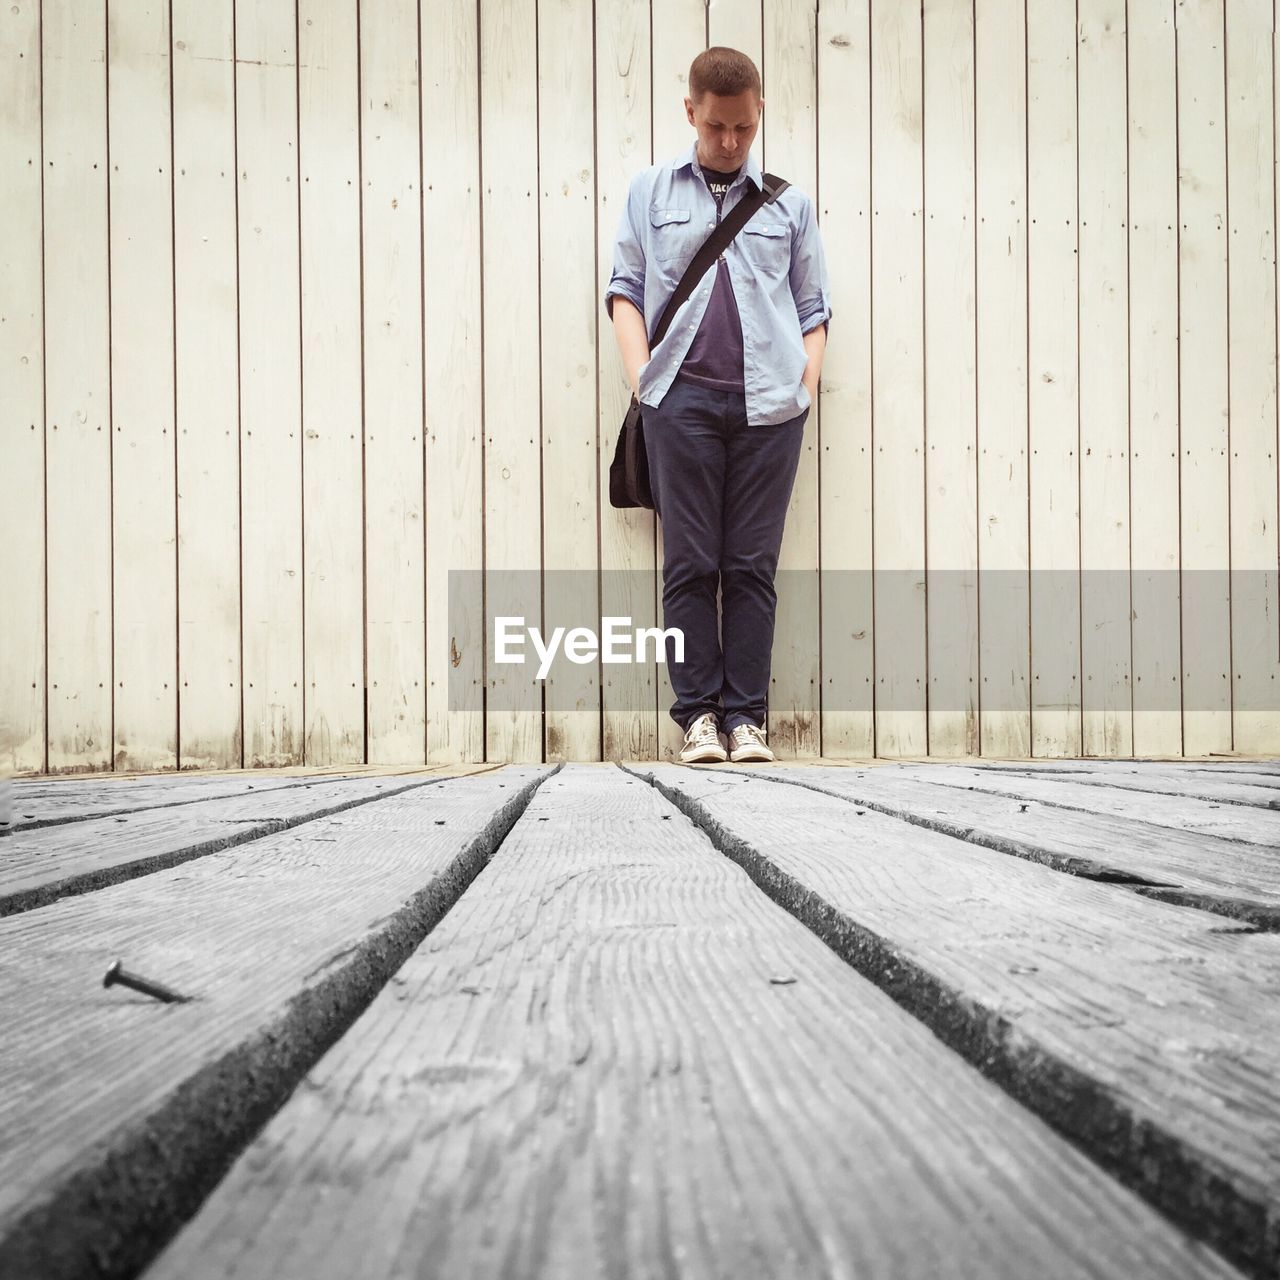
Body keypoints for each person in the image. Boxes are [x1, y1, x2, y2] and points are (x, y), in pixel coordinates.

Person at [603, 46, 831, 765]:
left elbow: (813, 307)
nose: (730, 143)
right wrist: (646, 381)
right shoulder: (651, 191)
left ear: (757, 111)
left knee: (752, 566)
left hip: (771, 408)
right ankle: (698, 717)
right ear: (691, 113)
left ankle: (747, 720)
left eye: (742, 128)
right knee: (691, 564)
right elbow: (624, 290)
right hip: (683, 404)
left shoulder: (789, 203)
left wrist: (804, 388)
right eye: (715, 129)